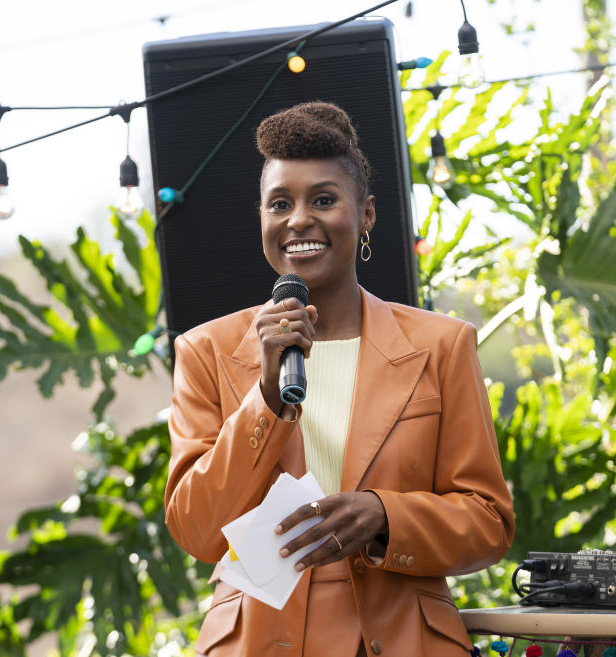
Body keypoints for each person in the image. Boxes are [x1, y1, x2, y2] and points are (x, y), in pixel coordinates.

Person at [164, 101, 514, 657]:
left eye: (323, 200)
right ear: (261, 218)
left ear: (367, 213)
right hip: (257, 640)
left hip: (400, 639)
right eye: (280, 204)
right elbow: (197, 529)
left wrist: (385, 515)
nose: (299, 219)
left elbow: (488, 522)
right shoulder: (207, 352)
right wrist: (265, 401)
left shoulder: (441, 345)